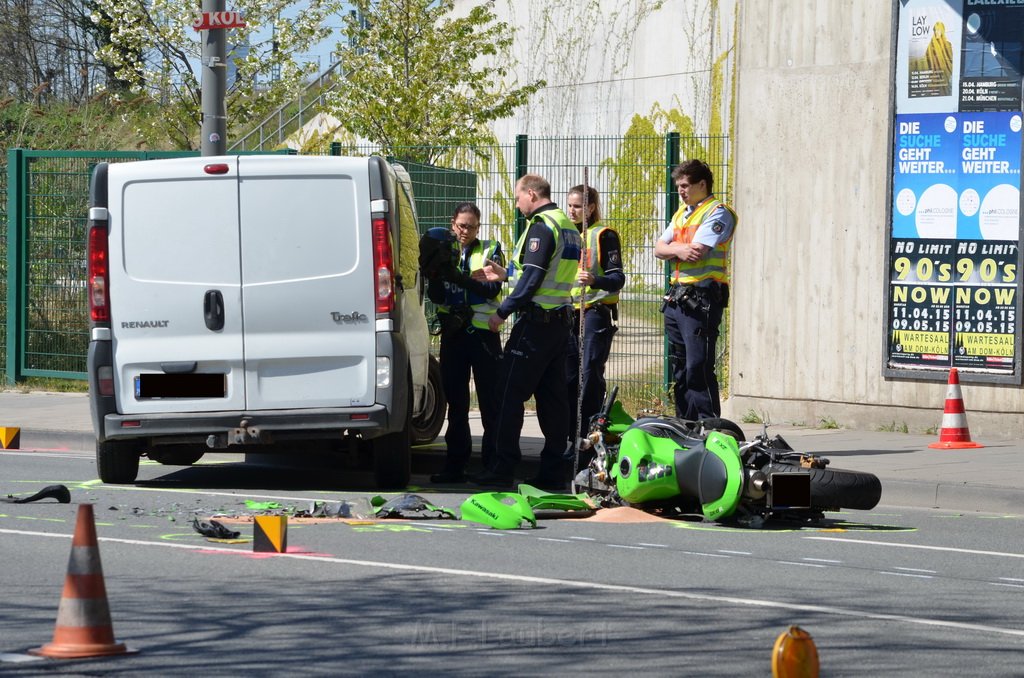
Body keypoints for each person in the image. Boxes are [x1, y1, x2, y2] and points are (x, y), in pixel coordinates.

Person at [471, 174, 582, 491]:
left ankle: (502, 467)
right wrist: (506, 274)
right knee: (552, 400)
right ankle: (554, 471)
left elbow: (533, 278)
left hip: (536, 325)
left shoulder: (542, 226)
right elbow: (542, 275)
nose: (517, 203)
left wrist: (502, 311)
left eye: (518, 197)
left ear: (532, 194)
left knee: (506, 394)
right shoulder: (568, 226)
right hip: (559, 323)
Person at [422, 203, 504, 484]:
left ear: (478, 227)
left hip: (483, 336)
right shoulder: (443, 248)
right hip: (453, 335)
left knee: (491, 404)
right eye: (461, 226)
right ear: (452, 223)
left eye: (471, 226)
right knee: (456, 405)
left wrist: (458, 278)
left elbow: (492, 288)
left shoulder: (489, 250)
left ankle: (493, 466)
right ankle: (455, 465)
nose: (465, 231)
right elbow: (437, 296)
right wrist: (433, 274)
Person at [654, 159, 737, 421]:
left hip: (701, 298)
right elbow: (659, 249)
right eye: (678, 186)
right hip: (678, 299)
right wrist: (678, 249)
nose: (681, 191)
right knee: (680, 367)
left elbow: (697, 252)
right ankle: (686, 424)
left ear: (703, 184)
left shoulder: (718, 211)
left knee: (697, 367)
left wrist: (673, 249)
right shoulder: (682, 214)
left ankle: (710, 426)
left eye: (686, 185)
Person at [564, 185, 624, 470]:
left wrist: (595, 281)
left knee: (589, 377)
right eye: (570, 205)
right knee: (567, 378)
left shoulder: (604, 235)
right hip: (569, 315)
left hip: (596, 313)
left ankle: (588, 440)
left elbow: (617, 277)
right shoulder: (568, 236)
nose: (572, 211)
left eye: (577, 206)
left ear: (590, 208)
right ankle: (570, 439)